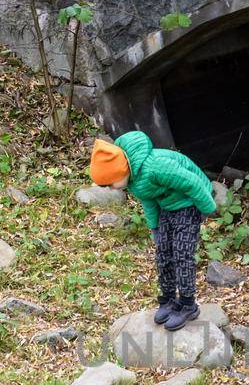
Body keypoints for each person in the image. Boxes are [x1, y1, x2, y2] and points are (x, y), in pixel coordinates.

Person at [90, 130, 217, 332]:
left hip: (188, 202)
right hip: (168, 205)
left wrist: (207, 209)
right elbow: (148, 200)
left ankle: (187, 304)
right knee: (163, 254)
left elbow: (192, 182)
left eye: (110, 184)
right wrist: (155, 227)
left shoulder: (155, 166)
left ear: (119, 171)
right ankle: (167, 300)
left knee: (182, 254)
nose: (112, 189)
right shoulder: (132, 179)